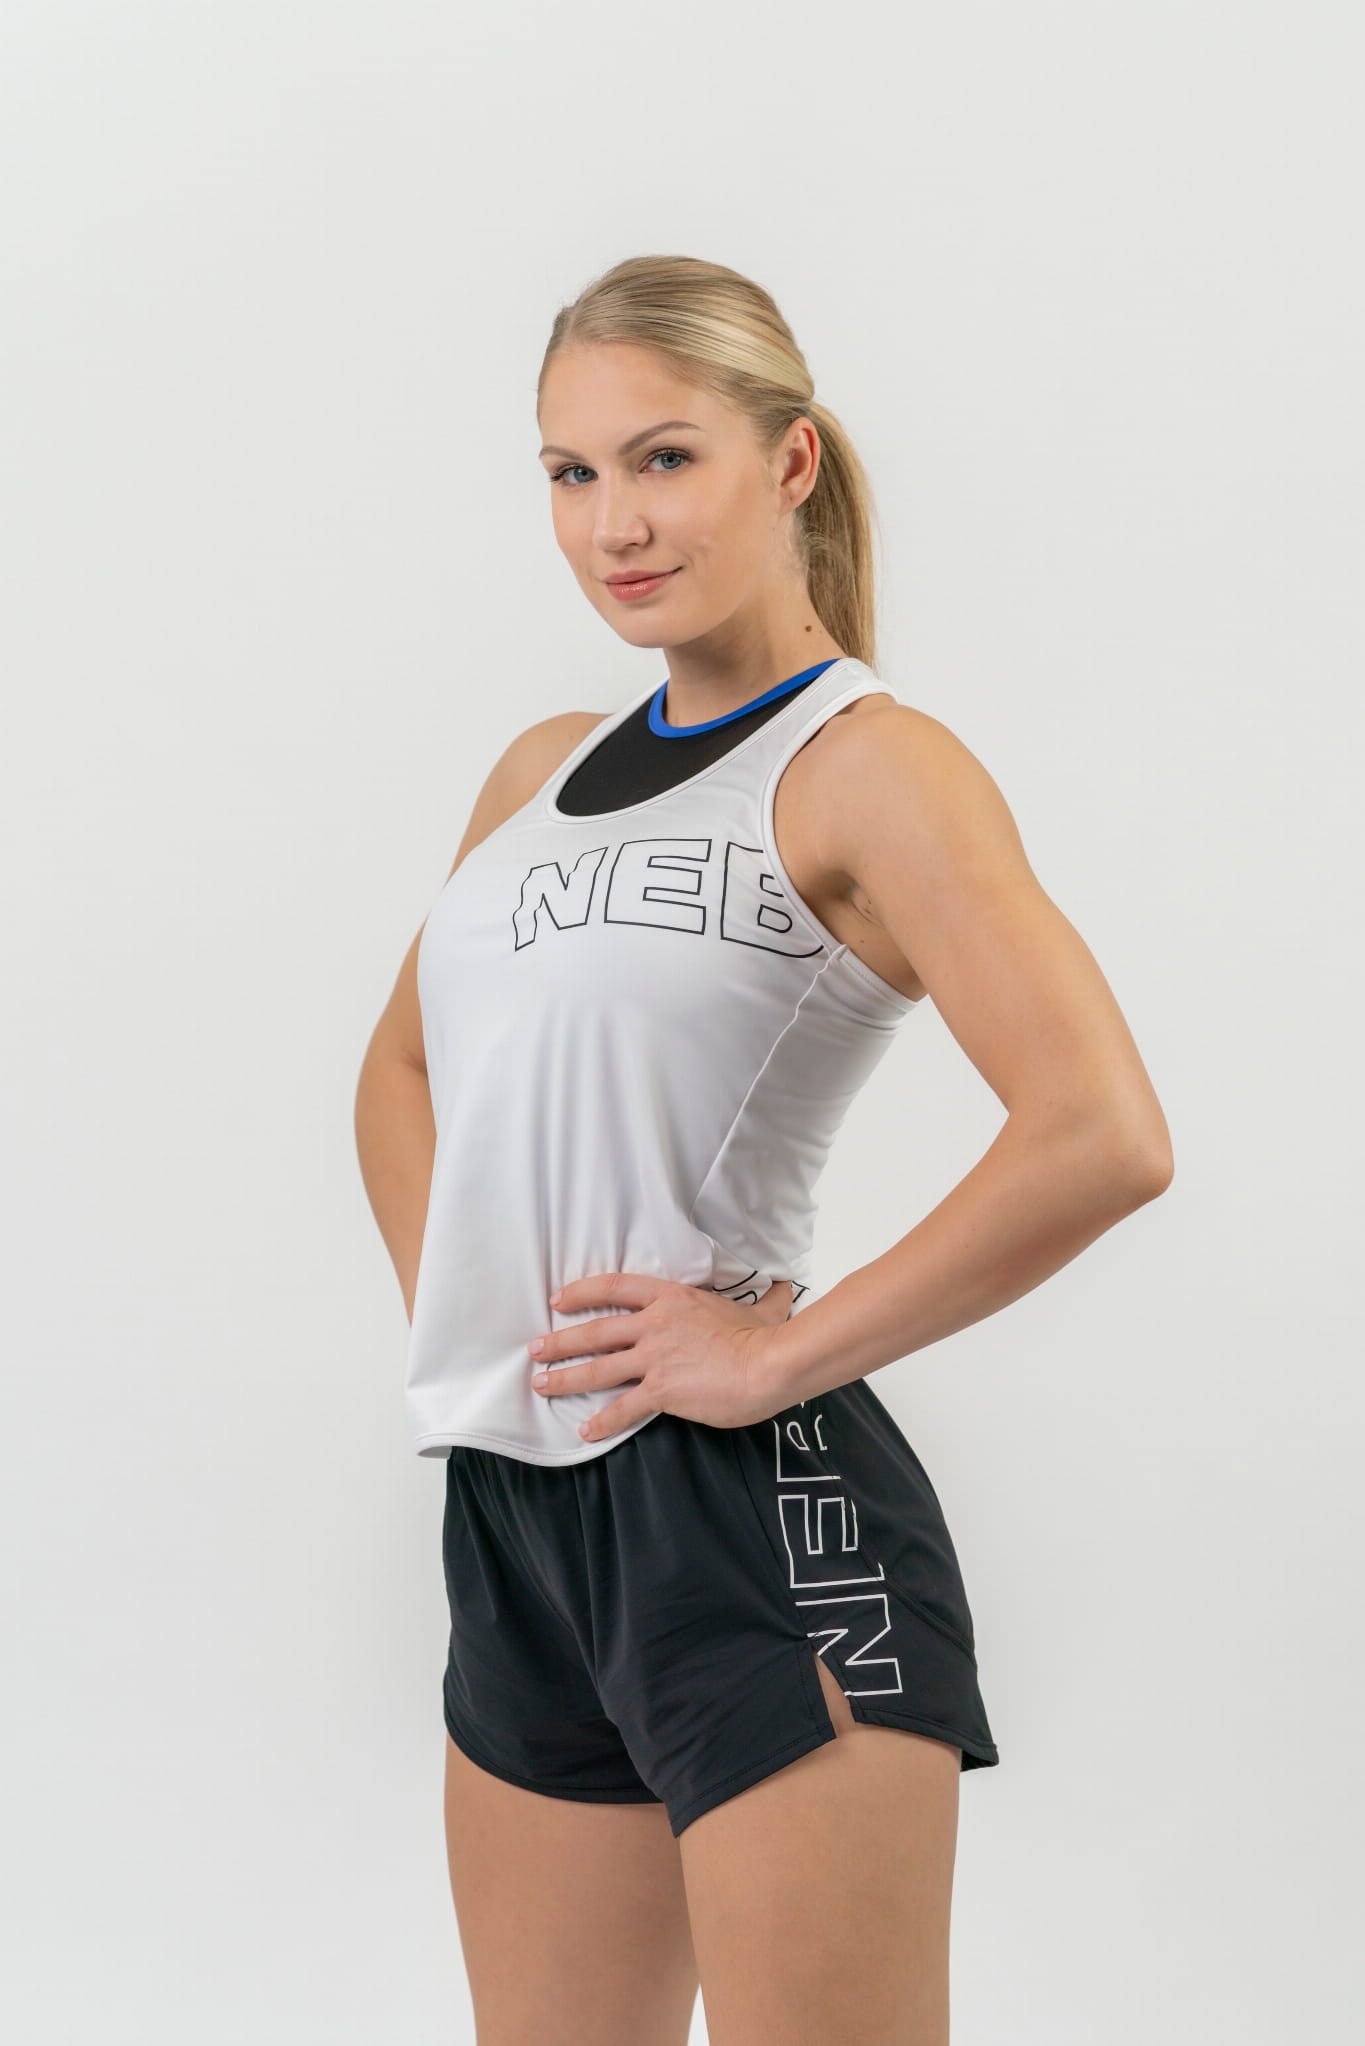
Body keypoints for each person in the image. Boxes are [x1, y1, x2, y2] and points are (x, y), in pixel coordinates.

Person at [354, 253, 1173, 2046]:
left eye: (664, 459)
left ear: (788, 460)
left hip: (755, 1514)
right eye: (571, 473)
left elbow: (1101, 1131)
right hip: (519, 1505)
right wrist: (483, 1320)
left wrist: (771, 1354)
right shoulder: (536, 771)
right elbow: (398, 1072)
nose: (613, 525)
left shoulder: (870, 766)